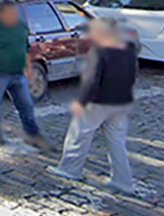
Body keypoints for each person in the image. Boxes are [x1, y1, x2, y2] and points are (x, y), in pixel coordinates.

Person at [49, 18, 137, 193]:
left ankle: (70, 169)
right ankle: (123, 180)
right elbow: (132, 76)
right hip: (122, 101)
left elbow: (91, 81)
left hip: (99, 101)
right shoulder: (129, 49)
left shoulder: (99, 52)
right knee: (117, 141)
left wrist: (81, 103)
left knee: (79, 135)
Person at [0, 0, 53, 150]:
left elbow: (25, 49)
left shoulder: (20, 26)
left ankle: (32, 134)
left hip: (18, 74)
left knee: (26, 105)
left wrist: (29, 69)